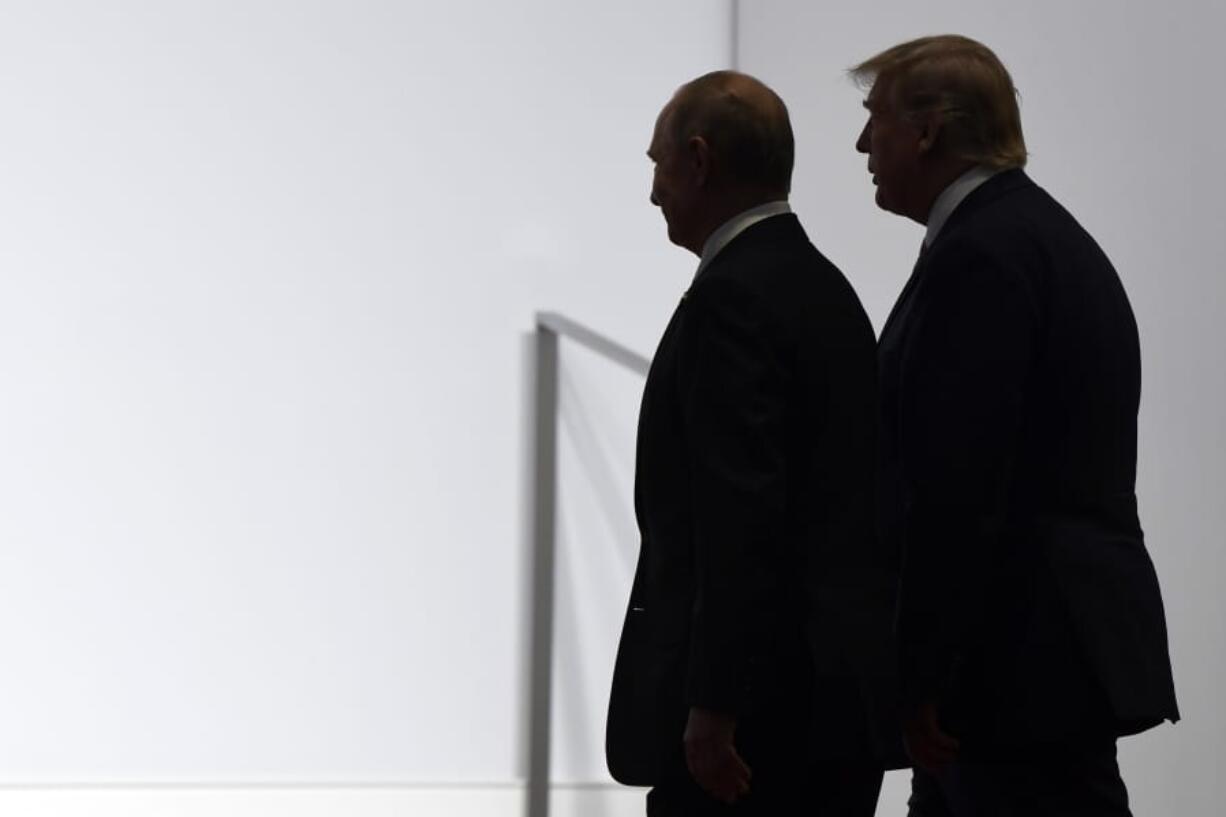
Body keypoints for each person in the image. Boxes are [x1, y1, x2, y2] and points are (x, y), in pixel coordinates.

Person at [852, 35, 1179, 816]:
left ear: (928, 130)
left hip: (1012, 663)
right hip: (1041, 655)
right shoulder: (1032, 237)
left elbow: (956, 485)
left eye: (876, 120)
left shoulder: (983, 256)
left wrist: (923, 671)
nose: (863, 142)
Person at [605, 70, 896, 816]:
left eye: (657, 164)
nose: (652, 191)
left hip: (757, 728)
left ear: (698, 160)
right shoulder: (826, 288)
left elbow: (740, 520)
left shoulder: (732, 298)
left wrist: (715, 703)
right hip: (831, 706)